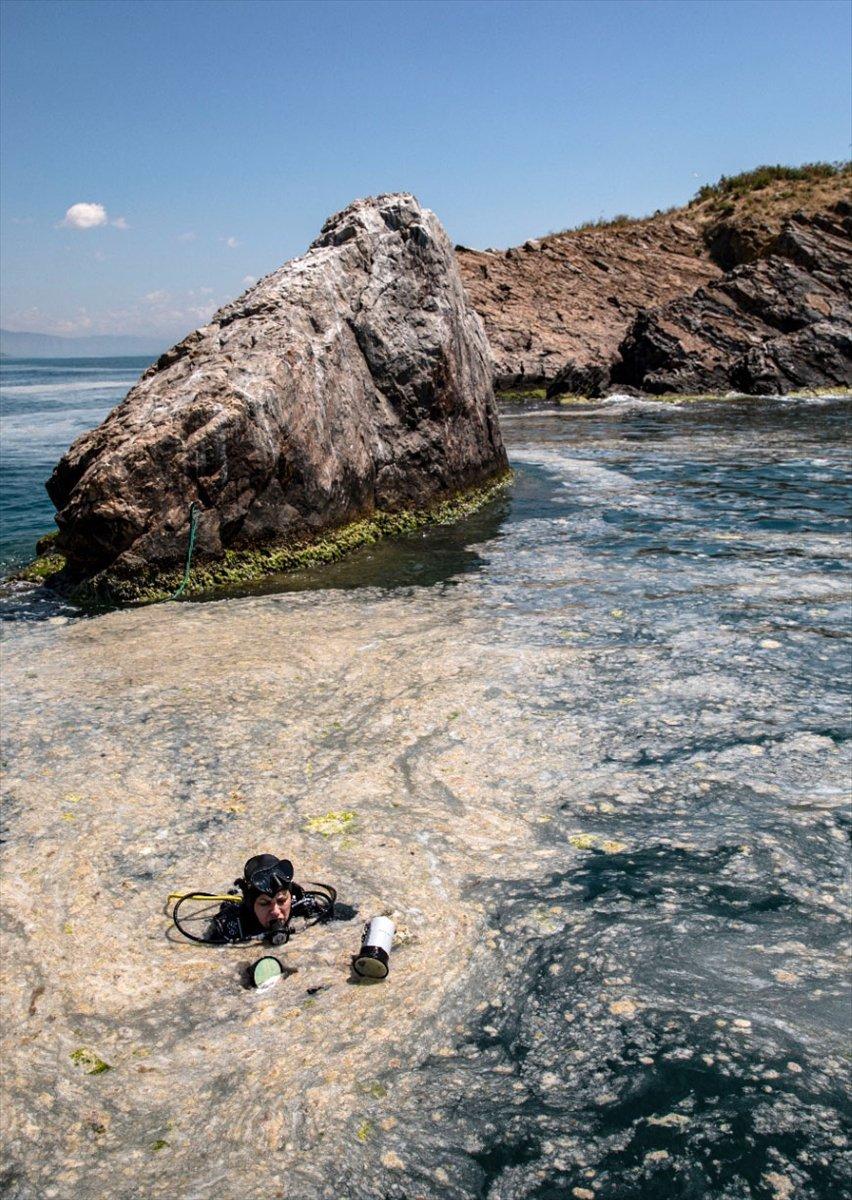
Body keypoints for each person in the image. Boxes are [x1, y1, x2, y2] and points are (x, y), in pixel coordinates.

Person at [207, 854, 334, 944]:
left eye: (281, 901)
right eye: (265, 903)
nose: (275, 911)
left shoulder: (302, 905)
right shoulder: (230, 926)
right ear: (251, 905)